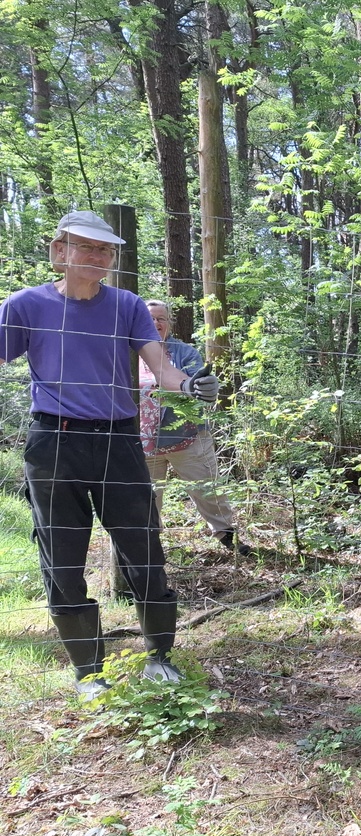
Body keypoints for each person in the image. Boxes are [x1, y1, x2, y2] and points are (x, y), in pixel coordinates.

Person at [0, 211, 220, 699]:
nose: (97, 256)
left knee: (143, 547)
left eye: (105, 250)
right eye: (86, 247)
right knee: (60, 558)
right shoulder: (24, 305)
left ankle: (160, 657)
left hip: (119, 442)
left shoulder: (127, 306)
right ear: (60, 252)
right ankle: (89, 673)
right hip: (53, 444)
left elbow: (160, 368)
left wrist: (191, 385)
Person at [138, 300, 250, 556]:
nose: (156, 323)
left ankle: (227, 536)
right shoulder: (127, 353)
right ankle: (148, 544)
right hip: (142, 443)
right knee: (146, 497)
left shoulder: (185, 353)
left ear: (169, 323)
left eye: (161, 319)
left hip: (187, 438)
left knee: (207, 489)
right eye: (150, 318)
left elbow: (194, 387)